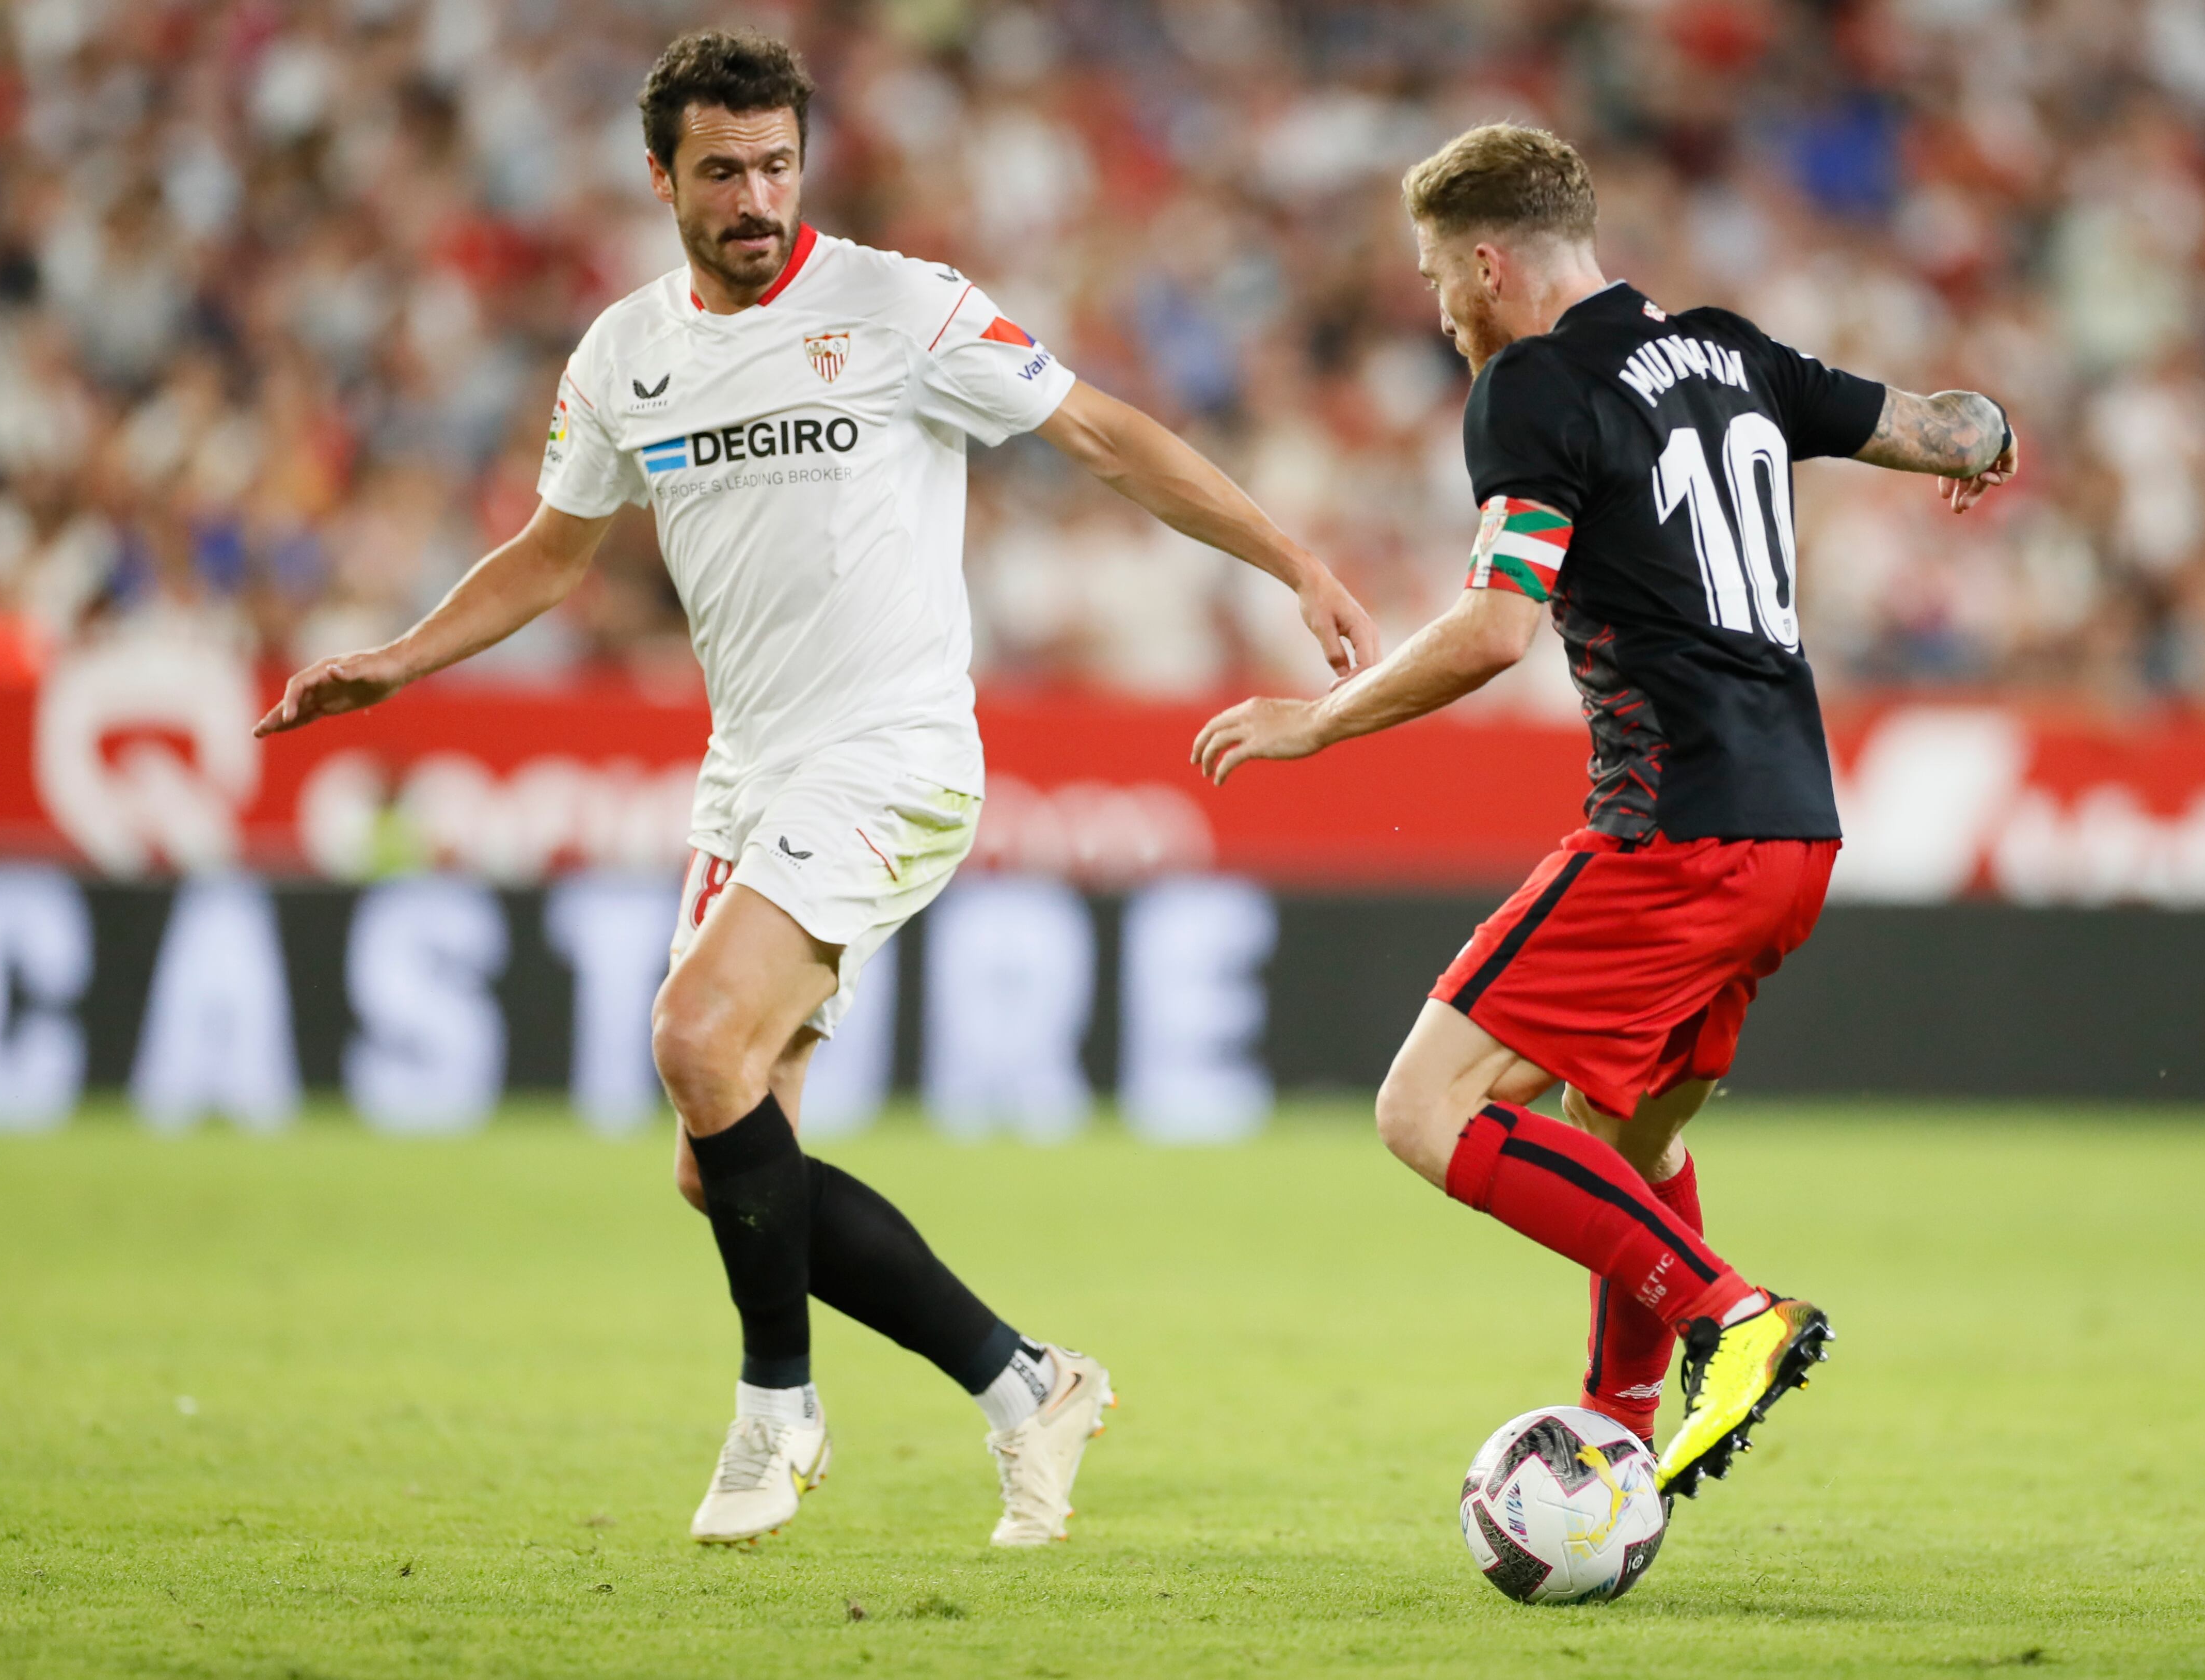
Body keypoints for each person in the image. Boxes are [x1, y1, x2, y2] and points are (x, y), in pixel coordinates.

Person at [256, 27, 1377, 1548]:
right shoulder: (624, 354)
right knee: (720, 1163)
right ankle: (1023, 1380)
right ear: (661, 178)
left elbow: (1104, 436)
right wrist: (400, 658)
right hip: (753, 773)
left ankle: (775, 1414)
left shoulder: (901, 307)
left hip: (897, 751)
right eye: (722, 171)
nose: (757, 198)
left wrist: (1291, 560)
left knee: (690, 1034)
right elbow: (553, 548)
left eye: (779, 166)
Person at [1193, 123, 2017, 1501]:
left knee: (1424, 1107)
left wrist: (1316, 724)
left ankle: (1732, 1315)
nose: (1439, 305)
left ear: (1490, 261)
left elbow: (1492, 632)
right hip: (1796, 836)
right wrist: (1984, 443)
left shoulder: (1532, 386)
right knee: (1627, 1144)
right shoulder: (1737, 354)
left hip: (1674, 828)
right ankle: (1618, 1439)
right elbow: (1952, 424)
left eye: (1436, 274)